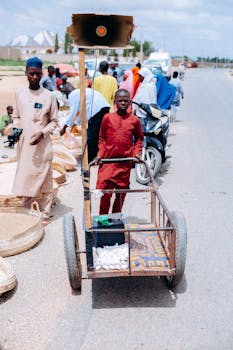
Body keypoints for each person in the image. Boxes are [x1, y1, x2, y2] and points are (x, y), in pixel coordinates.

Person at [12, 57, 58, 226]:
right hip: (25, 146)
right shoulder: (19, 94)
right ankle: (26, 212)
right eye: (31, 74)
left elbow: (54, 122)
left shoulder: (49, 96)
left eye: (38, 74)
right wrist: (16, 132)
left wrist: (42, 133)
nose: (35, 77)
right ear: (26, 74)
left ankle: (45, 214)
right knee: (26, 177)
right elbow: (16, 117)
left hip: (43, 144)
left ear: (42, 74)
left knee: (45, 177)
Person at [94, 89, 144, 215]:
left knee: (121, 195)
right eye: (120, 100)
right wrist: (100, 154)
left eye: (125, 101)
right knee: (105, 193)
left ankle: (116, 219)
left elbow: (139, 139)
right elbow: (102, 139)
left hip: (124, 163)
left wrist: (136, 153)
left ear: (130, 102)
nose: (122, 103)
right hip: (108, 163)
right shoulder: (107, 118)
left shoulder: (134, 120)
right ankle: (103, 220)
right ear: (114, 102)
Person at [60, 88, 110, 162]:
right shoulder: (78, 93)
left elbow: (73, 112)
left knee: (92, 135)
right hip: (103, 106)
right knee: (98, 134)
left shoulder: (72, 95)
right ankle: (97, 155)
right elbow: (81, 110)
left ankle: (90, 158)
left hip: (97, 109)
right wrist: (75, 123)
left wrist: (65, 127)